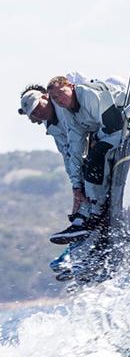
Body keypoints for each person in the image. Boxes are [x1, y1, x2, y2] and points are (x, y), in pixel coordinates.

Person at [46, 75, 127, 243]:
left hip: (127, 123)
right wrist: (76, 185)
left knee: (97, 153)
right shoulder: (68, 112)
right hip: (111, 131)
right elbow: (75, 146)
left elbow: (113, 125)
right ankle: (82, 217)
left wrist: (96, 147)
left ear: (71, 86)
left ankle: (96, 212)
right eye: (54, 98)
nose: (59, 99)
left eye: (62, 93)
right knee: (85, 162)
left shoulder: (88, 94)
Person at [18, 85, 88, 242]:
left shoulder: (63, 106)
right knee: (79, 176)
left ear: (45, 97)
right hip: (81, 150)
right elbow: (67, 154)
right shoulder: (51, 125)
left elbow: (76, 144)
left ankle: (86, 220)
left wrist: (78, 184)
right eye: (34, 113)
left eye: (38, 107)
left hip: (97, 140)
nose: (38, 113)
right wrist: (75, 186)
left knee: (89, 171)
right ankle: (82, 224)